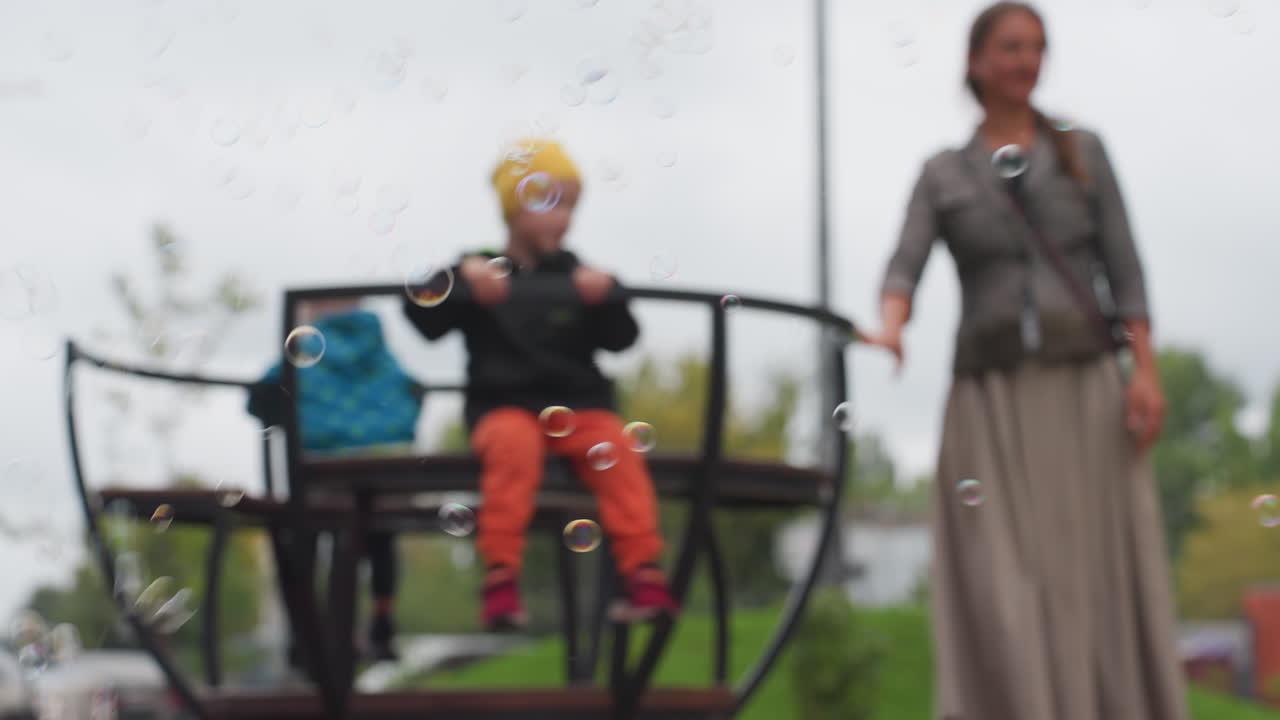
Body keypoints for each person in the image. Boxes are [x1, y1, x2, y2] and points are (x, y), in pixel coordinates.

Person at [860, 3, 1187, 719]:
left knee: (1093, 560)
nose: (1027, 60)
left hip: (1086, 392)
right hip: (990, 400)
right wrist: (891, 326)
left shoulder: (1082, 150)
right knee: (1005, 571)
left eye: (1037, 47)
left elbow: (1124, 269)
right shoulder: (943, 173)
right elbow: (903, 265)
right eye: (1010, 46)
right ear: (976, 62)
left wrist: (1146, 374)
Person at [402, 138, 681, 631]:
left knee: (616, 446)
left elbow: (624, 339)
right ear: (512, 209)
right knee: (512, 445)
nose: (564, 219)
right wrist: (461, 278)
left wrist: (607, 298)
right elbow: (422, 314)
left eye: (572, 206)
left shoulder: (577, 275)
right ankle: (502, 579)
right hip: (503, 409)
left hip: (580, 412)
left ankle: (642, 573)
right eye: (551, 203)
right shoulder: (477, 268)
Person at [248, 297, 423, 662]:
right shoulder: (378, 345)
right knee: (380, 539)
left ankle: (306, 632)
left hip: (319, 472)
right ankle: (382, 620)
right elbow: (411, 391)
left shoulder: (305, 345)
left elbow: (261, 397)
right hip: (386, 471)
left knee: (307, 537)